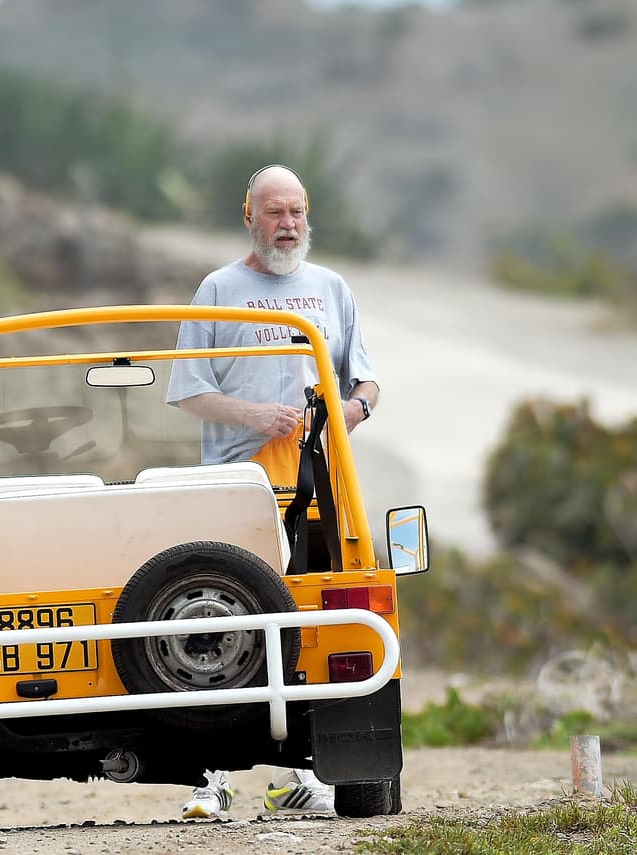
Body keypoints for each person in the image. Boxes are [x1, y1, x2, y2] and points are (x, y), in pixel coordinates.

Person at [165, 164, 380, 819]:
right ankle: (210, 775)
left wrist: (351, 412)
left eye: (296, 212)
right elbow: (187, 391)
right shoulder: (219, 288)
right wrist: (254, 415)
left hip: (316, 484)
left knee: (309, 625)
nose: (287, 226)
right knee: (219, 627)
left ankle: (303, 775)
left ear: (308, 214)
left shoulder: (333, 288)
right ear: (248, 216)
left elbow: (367, 384)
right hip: (239, 483)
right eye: (274, 213)